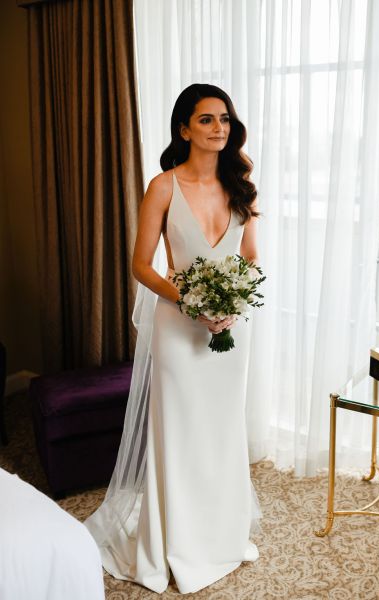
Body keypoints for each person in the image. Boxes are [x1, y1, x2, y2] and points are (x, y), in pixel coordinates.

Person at [85, 83, 262, 595]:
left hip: (231, 329)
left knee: (222, 431)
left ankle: (220, 534)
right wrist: (190, 301)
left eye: (225, 119)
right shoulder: (162, 186)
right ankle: (176, 541)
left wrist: (230, 305)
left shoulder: (241, 184)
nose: (219, 128)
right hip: (176, 329)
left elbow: (250, 258)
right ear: (184, 128)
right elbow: (141, 265)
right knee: (179, 434)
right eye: (206, 120)